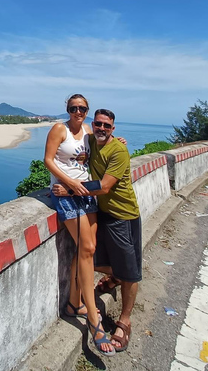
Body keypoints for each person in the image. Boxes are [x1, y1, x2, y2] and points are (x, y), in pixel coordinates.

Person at [52, 108, 141, 353]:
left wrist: (69, 189)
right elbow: (53, 158)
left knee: (129, 270)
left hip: (122, 214)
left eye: (107, 126)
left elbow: (103, 186)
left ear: (113, 128)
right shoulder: (88, 136)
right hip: (99, 208)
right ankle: (78, 305)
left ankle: (124, 321)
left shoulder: (117, 148)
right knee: (88, 252)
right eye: (99, 124)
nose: (102, 128)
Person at [44, 94, 115, 356]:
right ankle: (94, 320)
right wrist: (70, 183)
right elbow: (49, 160)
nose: (78, 112)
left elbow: (98, 146)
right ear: (67, 109)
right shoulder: (59, 129)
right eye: (73, 108)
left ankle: (74, 303)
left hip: (86, 194)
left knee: (87, 249)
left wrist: (115, 140)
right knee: (86, 247)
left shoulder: (87, 130)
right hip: (65, 194)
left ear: (87, 111)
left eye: (82, 108)